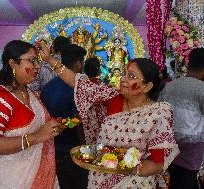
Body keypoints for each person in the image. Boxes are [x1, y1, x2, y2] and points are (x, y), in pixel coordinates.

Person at [36, 41, 179, 188]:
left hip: (133, 182)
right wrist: (49, 59)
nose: (123, 79)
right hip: (100, 178)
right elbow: (77, 82)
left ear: (147, 86)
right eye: (124, 74)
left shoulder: (158, 114)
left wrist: (122, 166)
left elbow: (157, 164)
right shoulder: (113, 98)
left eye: (131, 76)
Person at [0, 40, 63, 189]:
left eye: (37, 60)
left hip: (38, 175)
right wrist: (36, 137)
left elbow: (41, 126)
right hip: (11, 181)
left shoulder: (30, 93)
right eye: (31, 61)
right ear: (12, 63)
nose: (37, 66)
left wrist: (54, 126)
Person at [159, 48, 204, 189]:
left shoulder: (169, 86)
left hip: (170, 144)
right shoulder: (202, 88)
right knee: (187, 181)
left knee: (176, 180)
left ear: (189, 63)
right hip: (191, 148)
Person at [41, 44, 88, 189]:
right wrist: (85, 150)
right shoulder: (77, 89)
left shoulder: (48, 87)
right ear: (79, 63)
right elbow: (79, 121)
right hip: (73, 151)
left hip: (51, 148)